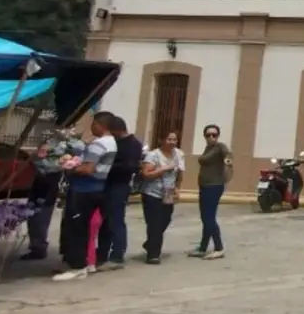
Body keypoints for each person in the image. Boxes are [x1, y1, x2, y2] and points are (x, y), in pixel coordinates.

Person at [53, 111, 117, 282]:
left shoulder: (99, 144)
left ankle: (77, 266)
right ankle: (80, 263)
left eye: (93, 123)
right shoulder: (111, 142)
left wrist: (69, 168)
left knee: (77, 227)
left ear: (100, 125)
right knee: (82, 227)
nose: (91, 127)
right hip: (97, 188)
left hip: (84, 190)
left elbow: (88, 168)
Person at [20, 129, 79, 261]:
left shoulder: (67, 146)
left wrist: (48, 163)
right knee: (34, 215)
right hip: (40, 183)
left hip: (49, 184)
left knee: (40, 216)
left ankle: (39, 247)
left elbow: (51, 166)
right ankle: (37, 246)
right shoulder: (51, 143)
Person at [95, 116, 142, 271]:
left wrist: (107, 165)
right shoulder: (116, 142)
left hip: (119, 186)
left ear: (118, 130)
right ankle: (101, 253)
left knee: (116, 220)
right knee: (104, 221)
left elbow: (130, 167)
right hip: (108, 185)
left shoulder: (132, 144)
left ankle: (117, 255)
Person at [140, 131, 184, 263]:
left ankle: (150, 243)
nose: (172, 142)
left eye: (174, 140)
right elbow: (146, 174)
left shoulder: (179, 154)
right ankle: (153, 255)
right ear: (162, 140)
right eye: (169, 139)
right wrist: (163, 169)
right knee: (154, 224)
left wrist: (177, 188)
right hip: (152, 193)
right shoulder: (153, 155)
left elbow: (180, 173)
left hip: (168, 194)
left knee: (165, 220)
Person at [189, 124, 231, 260]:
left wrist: (228, 161)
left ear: (218, 136)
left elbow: (228, 154)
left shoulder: (220, 147)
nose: (211, 137)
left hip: (214, 186)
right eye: (208, 135)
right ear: (205, 136)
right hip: (205, 186)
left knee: (209, 218)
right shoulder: (208, 148)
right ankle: (203, 247)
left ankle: (219, 248)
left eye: (214, 135)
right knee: (205, 218)